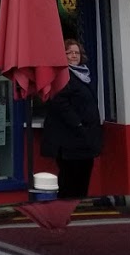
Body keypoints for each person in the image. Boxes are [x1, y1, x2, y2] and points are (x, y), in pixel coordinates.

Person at [41, 39, 103, 199]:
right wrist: (78, 123)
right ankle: (68, 212)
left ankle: (79, 211)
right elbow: (59, 102)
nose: (74, 56)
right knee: (70, 180)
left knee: (83, 178)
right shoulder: (62, 75)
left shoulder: (84, 74)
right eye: (69, 53)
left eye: (76, 52)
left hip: (85, 139)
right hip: (70, 141)